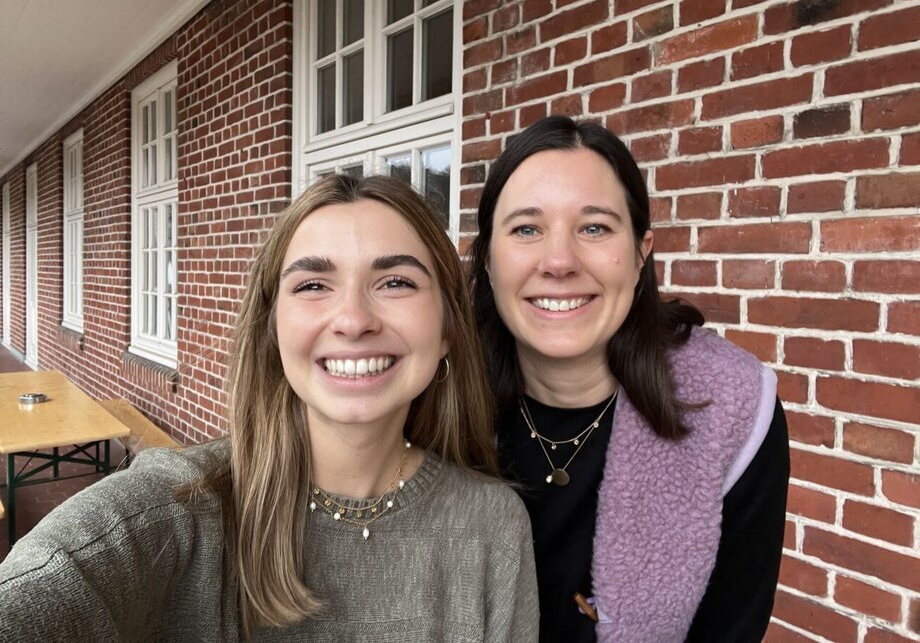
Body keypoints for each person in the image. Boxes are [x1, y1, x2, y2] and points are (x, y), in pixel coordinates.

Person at [0, 174, 538, 641]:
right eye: (312, 285)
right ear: (272, 330)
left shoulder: (491, 526)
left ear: (446, 329)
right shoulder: (182, 510)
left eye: (395, 281)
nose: (353, 320)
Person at [468, 116, 789, 643]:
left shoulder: (728, 410)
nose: (559, 261)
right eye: (527, 228)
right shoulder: (432, 398)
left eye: (594, 227)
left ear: (641, 254)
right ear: (487, 258)